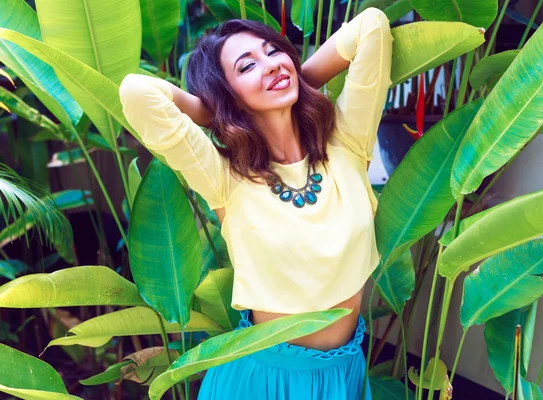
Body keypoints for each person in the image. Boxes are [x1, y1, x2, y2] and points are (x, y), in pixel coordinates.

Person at [118, 6, 393, 399]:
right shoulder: (224, 178)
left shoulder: (348, 142)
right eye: (246, 67)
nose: (270, 65)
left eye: (274, 52)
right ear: (226, 94)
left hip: (343, 374)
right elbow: (136, 92)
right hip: (261, 380)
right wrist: (218, 111)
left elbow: (372, 26)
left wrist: (292, 78)